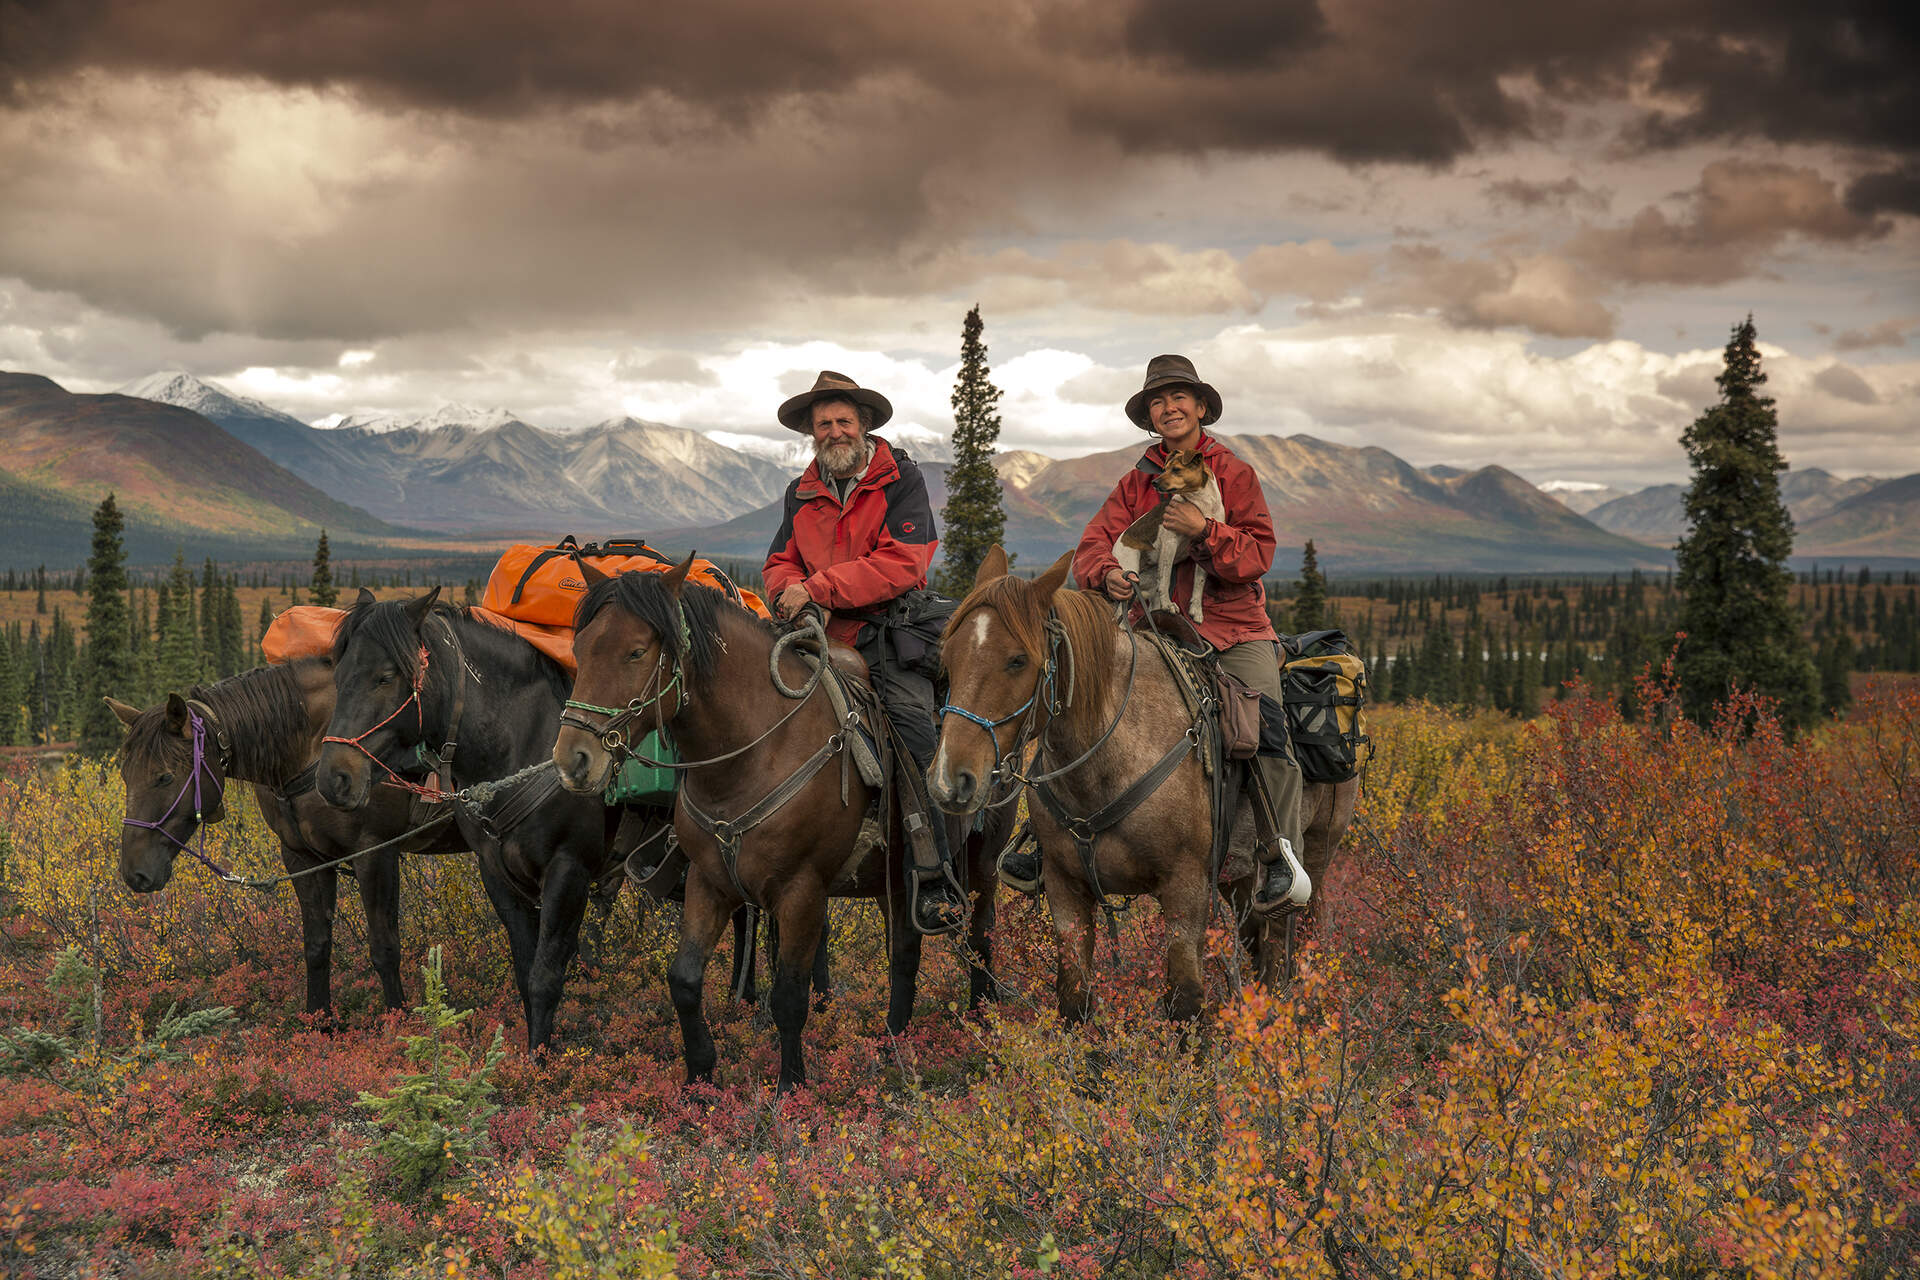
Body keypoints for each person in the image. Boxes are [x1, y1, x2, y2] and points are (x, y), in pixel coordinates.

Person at [1001, 354, 1307, 910]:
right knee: (1070, 706)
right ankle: (1040, 840)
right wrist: (1108, 572)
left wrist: (1206, 531)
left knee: (1265, 724)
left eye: (1178, 398)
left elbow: (1258, 555)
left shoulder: (1233, 474)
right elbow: (1095, 543)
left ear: (1200, 407)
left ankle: (1279, 855)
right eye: (1157, 402)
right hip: (1150, 628)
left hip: (1231, 629)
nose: (1169, 408)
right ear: (1149, 415)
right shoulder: (1137, 481)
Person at [764, 371, 966, 934]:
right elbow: (780, 560)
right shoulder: (802, 491)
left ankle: (934, 873)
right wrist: (788, 595)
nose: (832, 431)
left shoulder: (901, 480)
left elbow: (906, 562)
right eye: (823, 423)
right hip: (813, 636)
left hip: (885, 637)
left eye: (842, 421)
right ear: (811, 432)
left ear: (865, 425)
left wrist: (821, 590)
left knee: (914, 736)